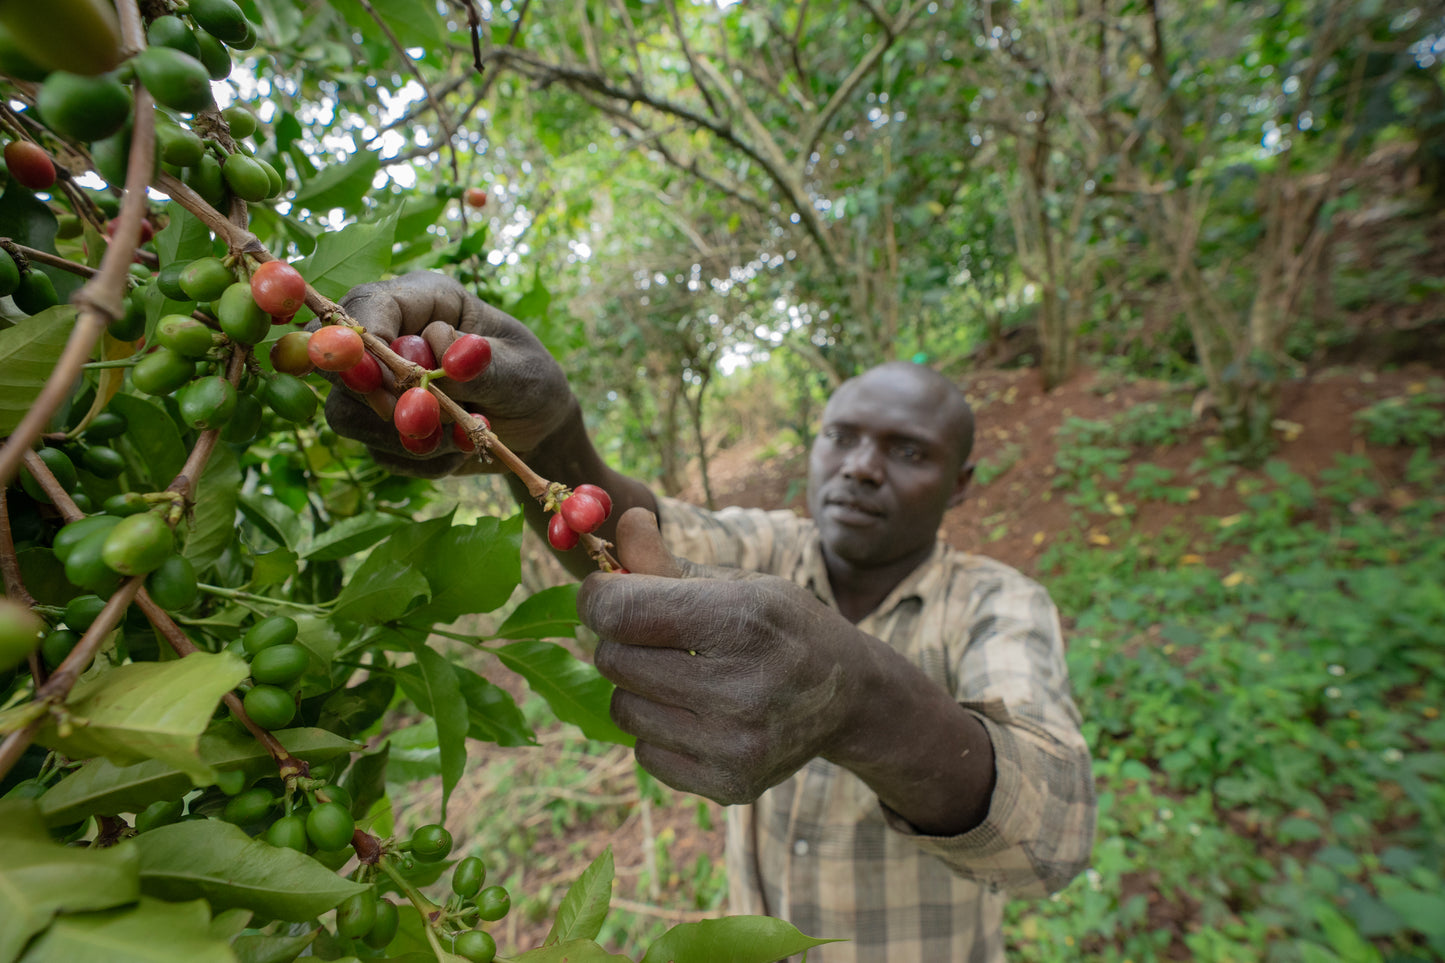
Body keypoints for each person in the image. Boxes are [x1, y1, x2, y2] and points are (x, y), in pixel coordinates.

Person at [323, 271, 1097, 961]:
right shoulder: (768, 546)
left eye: (907, 451)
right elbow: (636, 533)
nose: (860, 465)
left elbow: (1053, 832)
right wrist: (548, 431)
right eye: (842, 437)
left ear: (960, 484)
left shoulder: (997, 601)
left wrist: (859, 698)